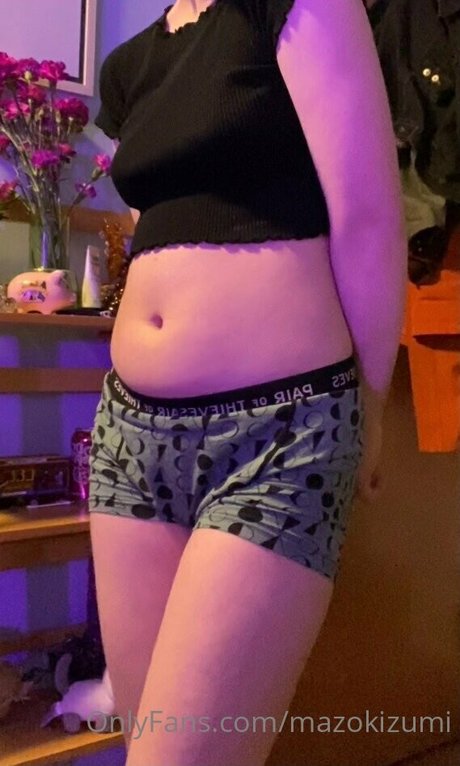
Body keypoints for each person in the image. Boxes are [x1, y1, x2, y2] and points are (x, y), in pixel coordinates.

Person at [88, 0, 407, 764]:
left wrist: (371, 407)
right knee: (145, 744)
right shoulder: (130, 66)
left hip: (280, 432)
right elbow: (153, 218)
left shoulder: (298, 5)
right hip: (129, 437)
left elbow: (368, 215)